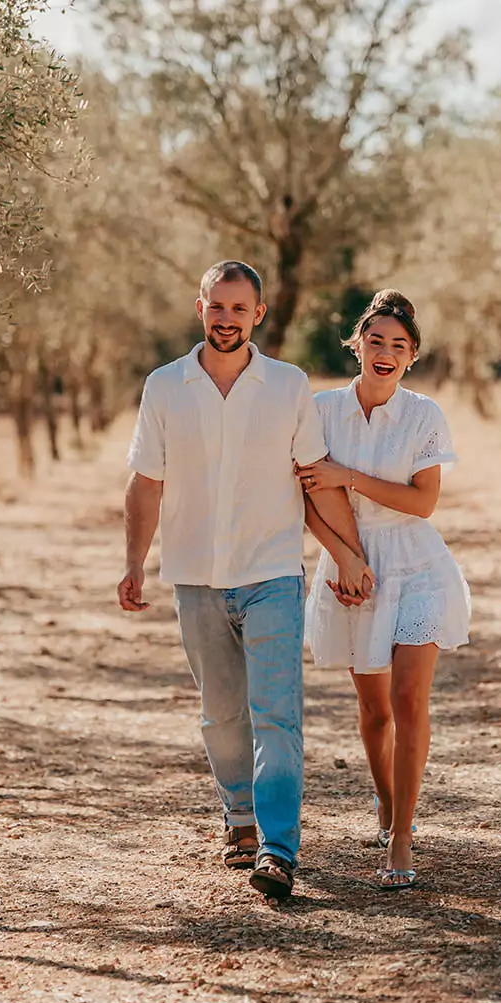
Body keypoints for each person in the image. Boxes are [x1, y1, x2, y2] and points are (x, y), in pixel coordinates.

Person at [118, 260, 372, 902]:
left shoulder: (287, 386)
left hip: (272, 574)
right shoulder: (166, 386)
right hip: (195, 576)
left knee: (277, 715)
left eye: (239, 308)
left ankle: (278, 848)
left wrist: (348, 553)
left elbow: (315, 474)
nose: (227, 319)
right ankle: (239, 815)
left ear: (258, 314)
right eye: (216, 306)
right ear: (199, 308)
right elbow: (147, 482)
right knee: (222, 715)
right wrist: (133, 563)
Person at [297, 289, 470, 890]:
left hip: (417, 566)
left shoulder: (424, 416)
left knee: (408, 700)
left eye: (399, 346)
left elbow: (423, 503)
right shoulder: (319, 412)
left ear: (412, 356)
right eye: (376, 342)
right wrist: (343, 558)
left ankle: (401, 835)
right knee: (373, 713)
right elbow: (305, 499)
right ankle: (385, 802)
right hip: (350, 568)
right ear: (357, 346)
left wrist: (350, 477)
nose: (386, 353)